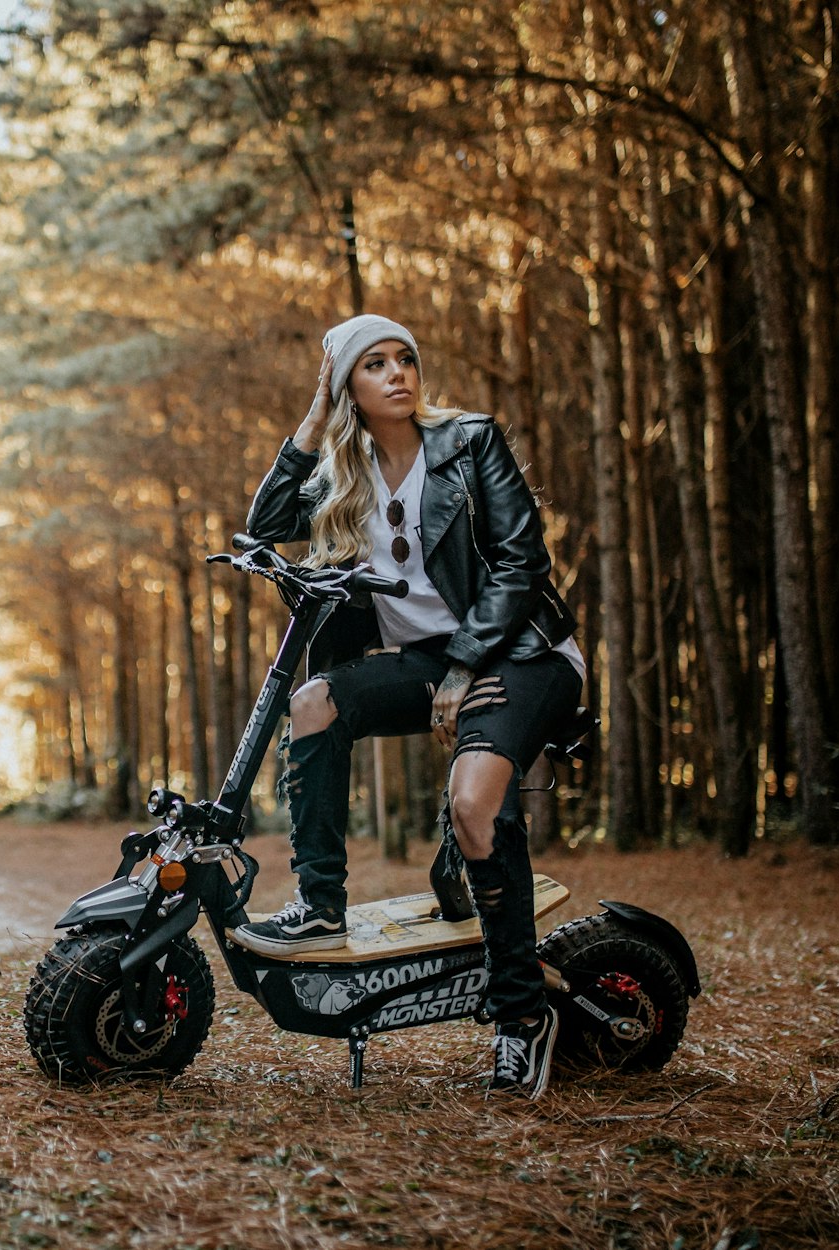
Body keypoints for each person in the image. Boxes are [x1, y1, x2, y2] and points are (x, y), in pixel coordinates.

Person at [232, 314, 585, 1098]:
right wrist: (314, 419)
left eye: (406, 359)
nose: (398, 374)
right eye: (374, 365)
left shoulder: (469, 443)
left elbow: (523, 562)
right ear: (347, 385)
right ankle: (322, 906)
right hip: (432, 662)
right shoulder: (342, 474)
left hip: (519, 650)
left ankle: (522, 1020)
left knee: (473, 805)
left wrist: (463, 669)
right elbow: (266, 526)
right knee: (317, 703)